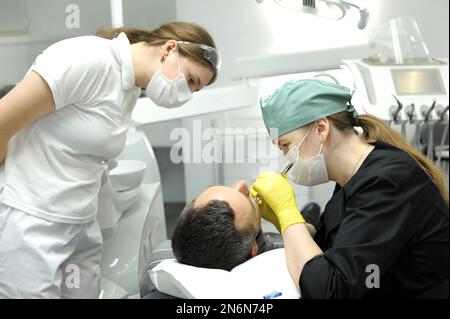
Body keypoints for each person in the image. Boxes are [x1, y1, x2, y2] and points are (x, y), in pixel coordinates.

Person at [0, 21, 220, 298]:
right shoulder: (87, 59)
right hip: (33, 223)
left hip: (80, 225)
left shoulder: (128, 86)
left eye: (194, 90)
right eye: (190, 80)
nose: (186, 95)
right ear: (169, 49)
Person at [251, 79, 449, 298]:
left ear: (321, 128)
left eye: (285, 146)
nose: (285, 160)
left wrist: (288, 214)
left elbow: (330, 290)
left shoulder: (389, 182)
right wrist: (284, 221)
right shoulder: (352, 180)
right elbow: (329, 247)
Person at [171, 180, 318, 271]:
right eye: (247, 199)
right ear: (254, 248)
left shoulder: (183, 247)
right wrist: (287, 215)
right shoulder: (278, 253)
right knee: (314, 214)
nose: (242, 184)